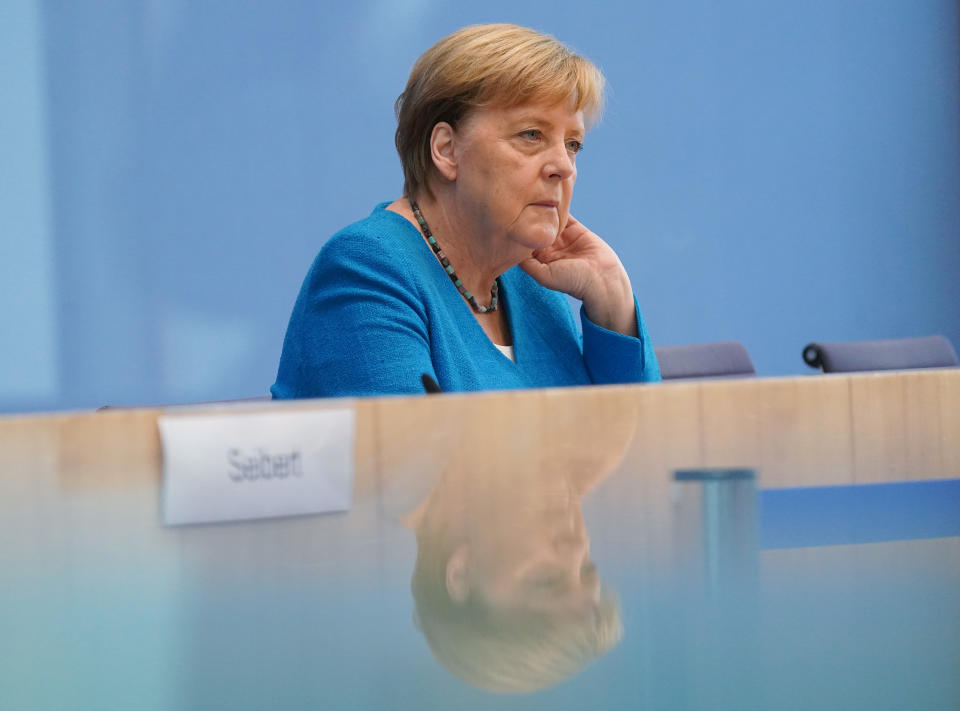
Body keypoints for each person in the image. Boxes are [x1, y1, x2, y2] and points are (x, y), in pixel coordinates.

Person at [271, 24, 660, 399]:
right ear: (446, 149)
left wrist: (610, 293)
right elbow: (412, 460)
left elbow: (648, 446)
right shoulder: (367, 270)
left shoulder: (533, 285)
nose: (564, 166)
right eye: (531, 134)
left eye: (573, 143)